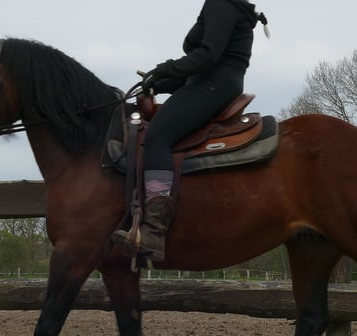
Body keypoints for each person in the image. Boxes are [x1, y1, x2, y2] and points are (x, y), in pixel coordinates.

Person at [112, 0, 269, 263]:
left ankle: (153, 230)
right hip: (210, 81)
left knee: (158, 137)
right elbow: (201, 65)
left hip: (214, 84)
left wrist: (165, 68)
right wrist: (161, 82)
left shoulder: (221, 4)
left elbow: (208, 55)